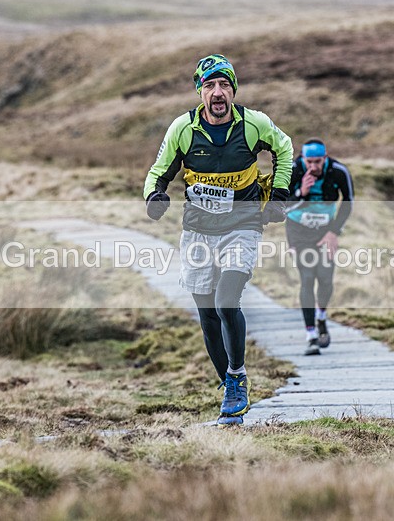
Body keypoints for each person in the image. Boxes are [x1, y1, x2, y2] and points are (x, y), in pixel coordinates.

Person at [143, 54, 293, 425]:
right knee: (207, 312)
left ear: (233, 90)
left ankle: (238, 376)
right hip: (197, 229)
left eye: (224, 84)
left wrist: (279, 194)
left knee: (228, 301)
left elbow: (285, 148)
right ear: (200, 92)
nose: (217, 92)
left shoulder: (254, 124)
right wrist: (154, 197)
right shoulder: (183, 128)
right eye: (209, 85)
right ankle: (229, 385)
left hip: (242, 224)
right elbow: (159, 172)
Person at [285, 139, 354, 356]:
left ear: (325, 158)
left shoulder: (338, 171)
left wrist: (334, 231)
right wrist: (301, 193)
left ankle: (322, 317)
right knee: (307, 278)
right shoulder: (293, 170)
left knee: (325, 278)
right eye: (309, 161)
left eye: (318, 161)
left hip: (325, 232)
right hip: (299, 231)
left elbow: (348, 201)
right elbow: (283, 206)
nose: (313, 166)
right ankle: (311, 336)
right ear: (303, 159)